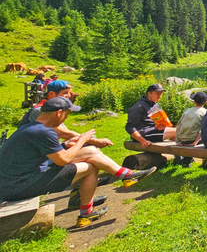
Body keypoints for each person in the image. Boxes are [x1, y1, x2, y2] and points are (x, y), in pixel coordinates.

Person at [0, 98, 155, 228]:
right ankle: (87, 214)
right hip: (21, 185)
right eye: (67, 114)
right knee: (90, 167)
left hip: (19, 178)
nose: (66, 118)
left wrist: (65, 145)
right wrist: (82, 139)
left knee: (91, 152)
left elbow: (47, 154)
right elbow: (63, 160)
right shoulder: (43, 132)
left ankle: (126, 176)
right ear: (59, 113)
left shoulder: (33, 126)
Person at [19, 80, 113, 149]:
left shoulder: (53, 109)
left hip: (47, 146)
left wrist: (88, 139)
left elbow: (64, 131)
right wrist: (91, 140)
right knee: (90, 146)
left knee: (89, 144)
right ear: (51, 94)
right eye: (65, 93)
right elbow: (62, 133)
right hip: (33, 150)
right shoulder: (41, 110)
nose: (69, 96)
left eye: (69, 93)